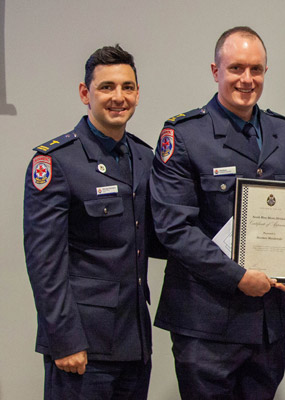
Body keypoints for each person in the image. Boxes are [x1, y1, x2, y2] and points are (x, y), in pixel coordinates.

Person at [149, 26, 285, 399]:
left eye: (256, 69)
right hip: (207, 322)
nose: (247, 79)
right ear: (215, 70)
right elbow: (174, 228)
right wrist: (237, 276)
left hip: (267, 322)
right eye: (236, 68)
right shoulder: (185, 135)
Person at [23, 44, 162, 399]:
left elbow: (163, 233)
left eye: (127, 87)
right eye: (107, 87)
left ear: (137, 93)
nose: (119, 97)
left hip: (134, 343)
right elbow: (45, 264)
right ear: (85, 93)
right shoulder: (57, 163)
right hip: (83, 347)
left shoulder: (145, 157)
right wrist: (65, 340)